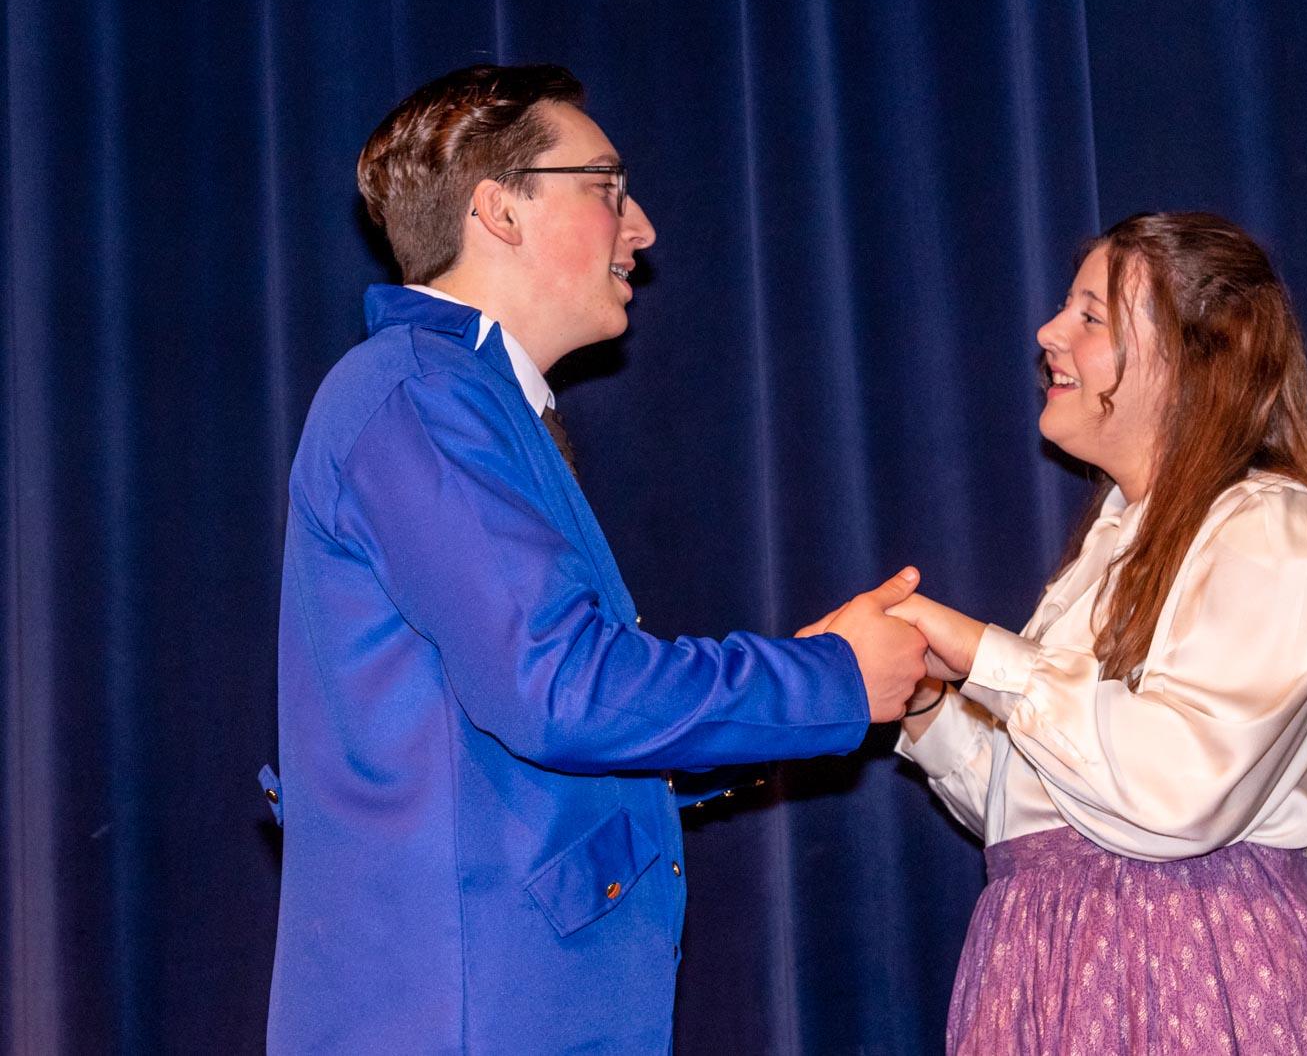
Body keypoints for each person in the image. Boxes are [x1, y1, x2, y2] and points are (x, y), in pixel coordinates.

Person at [260, 64, 928, 1055]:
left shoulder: (459, 399)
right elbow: (561, 690)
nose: (642, 226)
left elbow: (520, 739)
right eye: (607, 186)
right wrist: (828, 679)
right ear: (500, 211)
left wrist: (810, 683)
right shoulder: (424, 397)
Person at [888, 212, 1307, 1054]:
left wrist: (986, 653)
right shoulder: (1112, 543)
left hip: (1184, 961)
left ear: (1200, 359)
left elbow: (1180, 789)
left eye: (1091, 317)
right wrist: (925, 702)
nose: (1048, 333)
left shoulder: (1273, 530)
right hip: (1046, 961)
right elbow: (1057, 808)